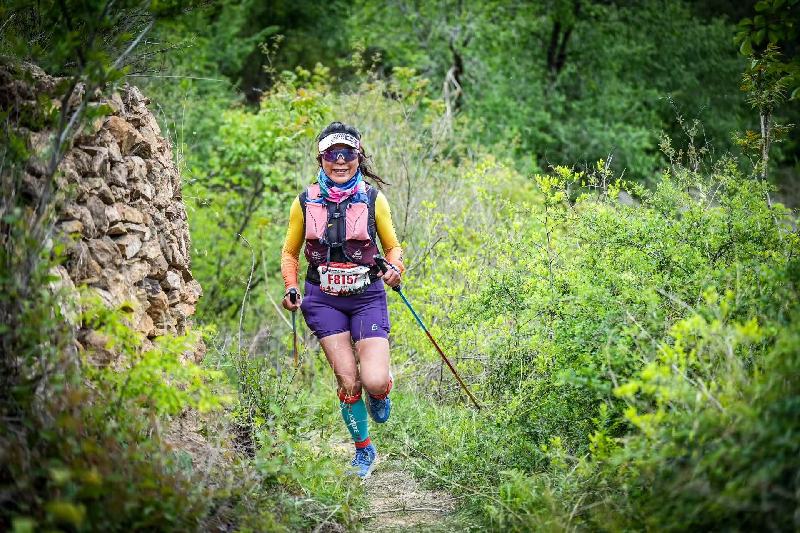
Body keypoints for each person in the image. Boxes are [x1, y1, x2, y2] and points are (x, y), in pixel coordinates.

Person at [280, 121, 404, 478]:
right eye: (332, 154)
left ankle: (380, 393)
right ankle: (364, 451)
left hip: (366, 296)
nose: (339, 161)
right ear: (321, 159)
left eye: (347, 154)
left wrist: (394, 268)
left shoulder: (373, 198)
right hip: (323, 299)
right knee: (349, 382)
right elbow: (290, 253)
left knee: (375, 380)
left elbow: (393, 247)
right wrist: (291, 286)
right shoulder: (304, 201)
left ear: (358, 157)